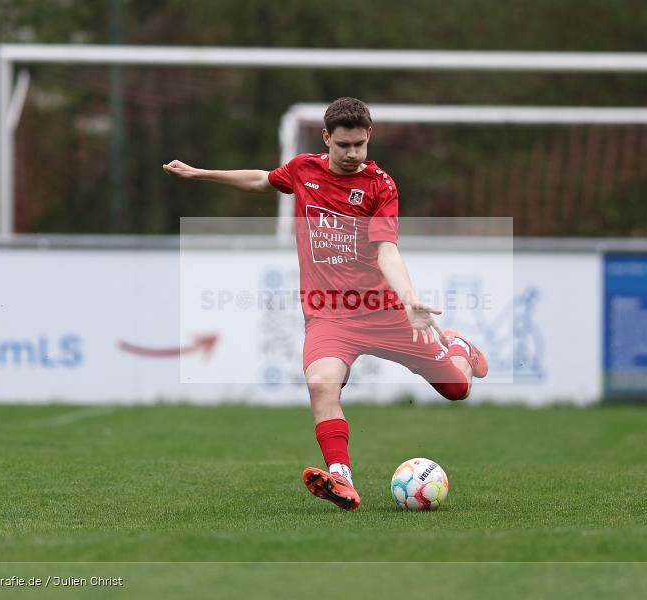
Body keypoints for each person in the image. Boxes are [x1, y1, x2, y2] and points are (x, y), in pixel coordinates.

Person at [163, 97, 488, 511]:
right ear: (326, 139)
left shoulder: (380, 186)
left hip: (383, 310)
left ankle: (459, 347)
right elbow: (262, 181)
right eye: (343, 146)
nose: (352, 154)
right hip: (328, 314)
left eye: (359, 145)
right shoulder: (304, 170)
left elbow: (387, 250)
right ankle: (342, 477)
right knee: (321, 382)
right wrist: (199, 173)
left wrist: (409, 300)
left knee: (457, 388)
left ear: (368, 136)